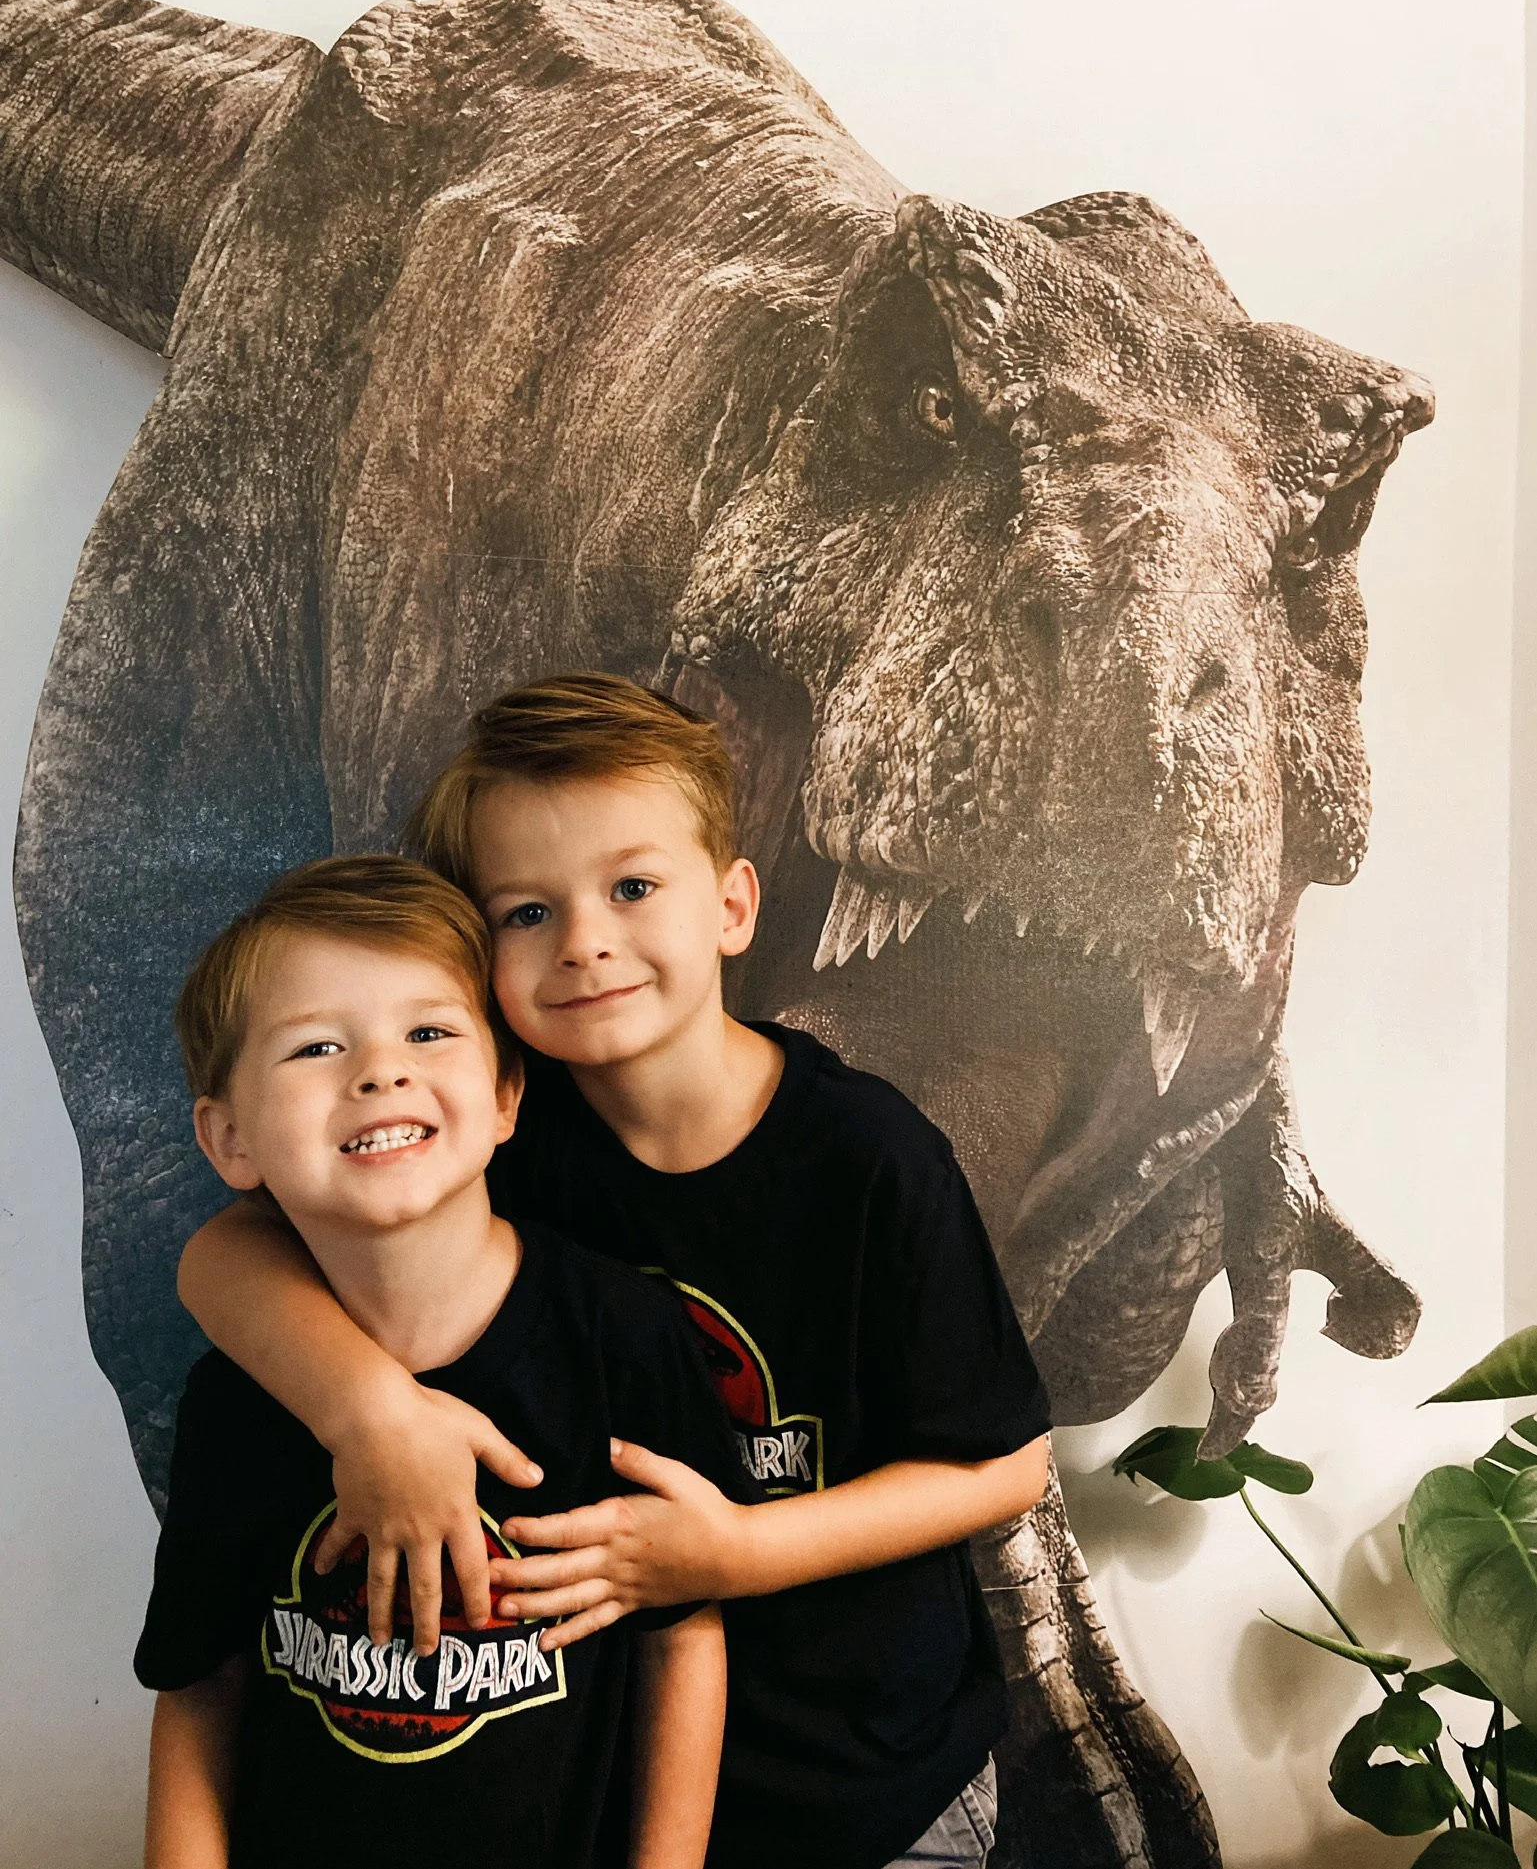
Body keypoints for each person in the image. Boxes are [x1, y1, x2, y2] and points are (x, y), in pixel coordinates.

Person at [178, 676, 1054, 1869]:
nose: (585, 941)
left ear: (732, 906)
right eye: (527, 912)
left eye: (632, 888)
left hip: (868, 1774)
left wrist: (735, 1553)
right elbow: (223, 1254)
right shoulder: (495, 1135)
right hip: (610, 1779)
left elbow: (1004, 1464)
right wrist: (370, 1413)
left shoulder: (867, 1159)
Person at [139, 855, 735, 1869]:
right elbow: (203, 1679)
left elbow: (679, 1635)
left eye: (427, 1033)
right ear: (230, 1139)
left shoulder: (620, 1338)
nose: (380, 1072)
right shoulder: (235, 1397)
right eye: (317, 1047)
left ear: (505, 1094)